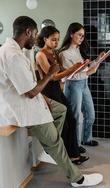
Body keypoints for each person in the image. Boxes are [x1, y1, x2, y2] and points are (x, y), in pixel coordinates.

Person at [0, 16, 102, 187]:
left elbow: (28, 85)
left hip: (28, 98)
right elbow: (29, 92)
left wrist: (42, 97)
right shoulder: (14, 56)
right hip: (21, 108)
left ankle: (47, 151)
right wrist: (50, 74)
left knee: (62, 110)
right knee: (56, 142)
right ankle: (77, 179)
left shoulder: (9, 50)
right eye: (35, 34)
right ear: (28, 31)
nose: (36, 39)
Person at [36, 26, 88, 164]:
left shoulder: (53, 53)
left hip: (57, 90)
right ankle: (68, 156)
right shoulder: (41, 55)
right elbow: (53, 77)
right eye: (53, 40)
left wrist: (78, 68)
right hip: (49, 92)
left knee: (71, 120)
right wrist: (72, 69)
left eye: (58, 40)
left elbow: (62, 72)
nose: (56, 43)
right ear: (45, 39)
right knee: (65, 124)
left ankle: (73, 154)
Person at [58, 23, 104, 147]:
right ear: (71, 34)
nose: (81, 38)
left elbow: (84, 68)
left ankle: (86, 139)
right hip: (73, 86)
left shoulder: (79, 50)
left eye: (83, 36)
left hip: (84, 84)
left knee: (90, 114)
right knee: (76, 118)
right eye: (79, 35)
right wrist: (88, 72)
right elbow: (70, 76)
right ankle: (76, 145)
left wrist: (96, 60)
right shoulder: (64, 54)